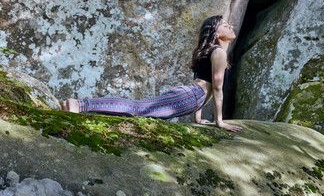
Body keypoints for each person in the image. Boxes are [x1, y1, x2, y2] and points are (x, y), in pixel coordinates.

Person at [62, 15, 242, 132]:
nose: (231, 26)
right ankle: (80, 105)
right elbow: (216, 88)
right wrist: (220, 121)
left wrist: (198, 117)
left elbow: (203, 82)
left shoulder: (213, 51)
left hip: (190, 96)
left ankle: (82, 105)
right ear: (216, 33)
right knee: (138, 108)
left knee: (139, 109)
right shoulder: (218, 52)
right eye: (225, 25)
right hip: (190, 96)